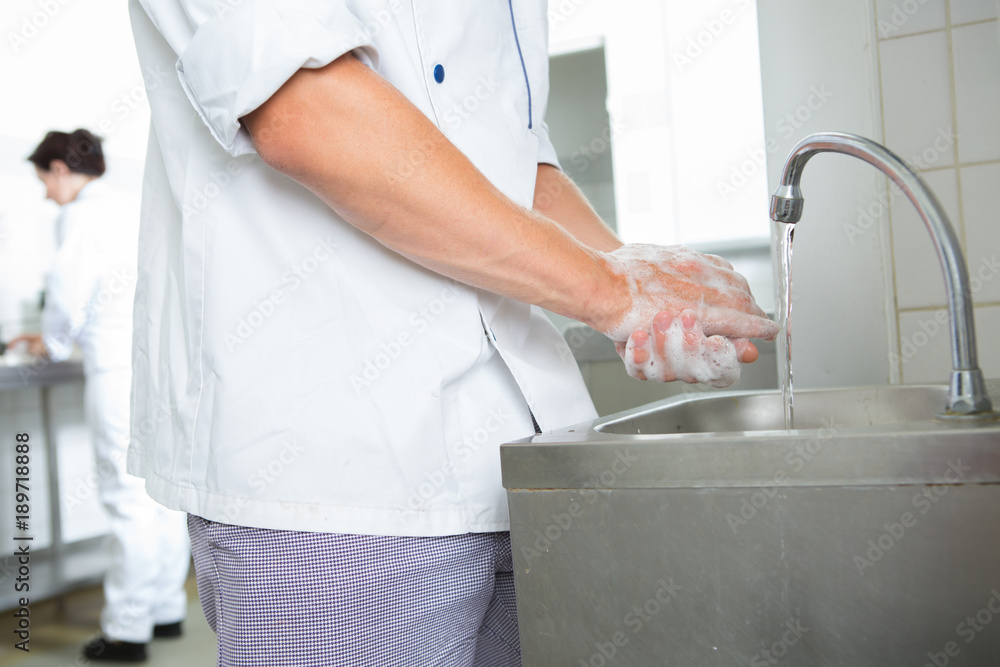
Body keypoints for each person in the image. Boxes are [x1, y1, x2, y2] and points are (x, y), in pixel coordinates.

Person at [127, 2, 778, 665]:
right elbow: (310, 114)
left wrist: (638, 277)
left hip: (519, 452)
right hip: (338, 478)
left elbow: (512, 160)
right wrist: (612, 293)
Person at [10, 129, 190, 663]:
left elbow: (68, 293)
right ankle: (164, 612)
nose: (46, 193)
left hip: (114, 368)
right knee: (160, 496)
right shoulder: (129, 207)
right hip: (153, 366)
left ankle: (126, 631)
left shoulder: (82, 216)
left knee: (124, 498)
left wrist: (53, 340)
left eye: (45, 179)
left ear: (61, 170)